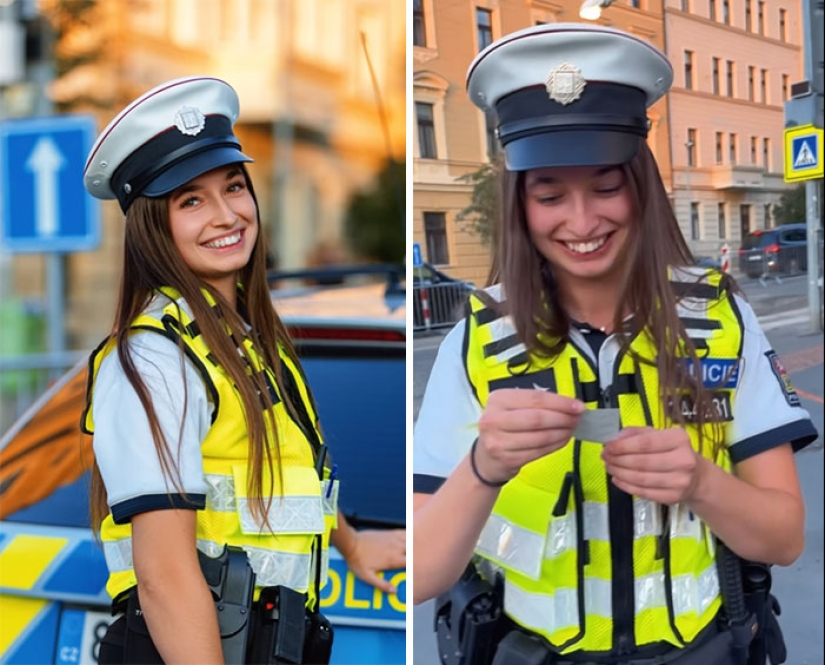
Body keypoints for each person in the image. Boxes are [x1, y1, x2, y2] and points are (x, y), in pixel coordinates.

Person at [413, 23, 818, 665]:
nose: (581, 222)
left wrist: (702, 483)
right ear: (520, 206)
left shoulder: (721, 318)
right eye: (550, 196)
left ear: (642, 187)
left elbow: (785, 537)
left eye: (606, 187)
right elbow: (422, 573)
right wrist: (484, 467)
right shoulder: (476, 340)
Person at [81, 76, 405, 664]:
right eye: (191, 201)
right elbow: (165, 575)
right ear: (155, 226)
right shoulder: (155, 358)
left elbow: (271, 483)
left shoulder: (246, 342)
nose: (227, 215)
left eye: (234, 187)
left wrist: (352, 544)